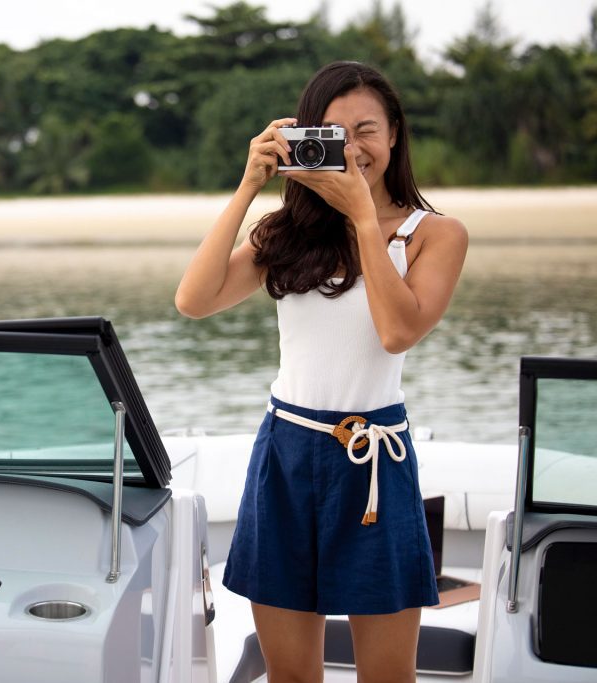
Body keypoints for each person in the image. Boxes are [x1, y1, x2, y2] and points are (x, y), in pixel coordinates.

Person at [175, 61, 469, 683]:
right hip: (285, 451)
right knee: (290, 675)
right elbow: (193, 301)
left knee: (387, 676)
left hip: (374, 460)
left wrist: (363, 217)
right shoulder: (287, 234)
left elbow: (397, 332)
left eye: (367, 130)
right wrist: (248, 186)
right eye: (336, 133)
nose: (354, 148)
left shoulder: (435, 234)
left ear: (395, 135)